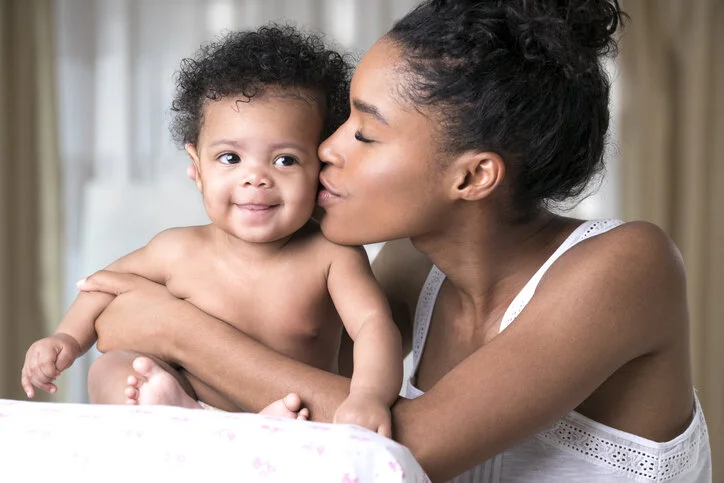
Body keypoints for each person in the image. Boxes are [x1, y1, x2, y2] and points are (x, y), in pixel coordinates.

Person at [74, 0, 712, 481]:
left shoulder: (627, 265)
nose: (325, 148)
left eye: (365, 133)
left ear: (472, 175)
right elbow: (301, 393)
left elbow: (405, 443)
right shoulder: (413, 264)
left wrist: (177, 329)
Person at [21, 25, 403, 436]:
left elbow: (372, 325)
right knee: (111, 368)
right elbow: (103, 285)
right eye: (230, 157)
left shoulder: (332, 255)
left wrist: (368, 396)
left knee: (300, 408)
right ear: (197, 167)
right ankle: (185, 416)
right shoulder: (177, 249)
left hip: (291, 417)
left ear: (321, 166)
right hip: (184, 403)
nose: (254, 178)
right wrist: (66, 338)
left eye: (285, 161)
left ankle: (245, 427)